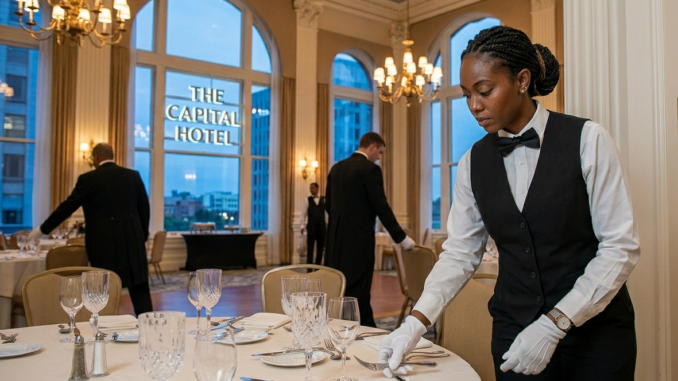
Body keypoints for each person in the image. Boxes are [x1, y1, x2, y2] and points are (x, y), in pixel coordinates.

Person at [378, 26, 638, 380]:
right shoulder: (473, 162)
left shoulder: (588, 140)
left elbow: (619, 248)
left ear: (522, 80)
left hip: (596, 335)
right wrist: (415, 323)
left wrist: (555, 324)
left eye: (484, 91)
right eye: (468, 94)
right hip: (512, 332)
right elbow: (460, 253)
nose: (474, 106)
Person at [28, 143, 153, 316]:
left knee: (102, 290)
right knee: (139, 287)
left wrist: (42, 229)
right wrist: (142, 235)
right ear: (112, 156)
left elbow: (67, 207)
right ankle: (147, 325)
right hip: (132, 240)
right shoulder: (133, 176)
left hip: (103, 243)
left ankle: (103, 328)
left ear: (96, 157)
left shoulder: (88, 179)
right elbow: (144, 209)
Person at [325, 132, 416, 328]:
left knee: (339, 289)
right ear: (372, 146)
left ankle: (341, 328)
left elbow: (328, 205)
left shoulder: (336, 168)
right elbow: (381, 207)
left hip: (334, 243)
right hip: (358, 242)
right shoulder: (369, 169)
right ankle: (364, 330)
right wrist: (402, 239)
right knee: (359, 290)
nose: (379, 157)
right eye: (380, 152)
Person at [300, 182, 327, 266]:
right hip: (311, 227)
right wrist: (302, 225)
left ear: (317, 189)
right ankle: (309, 267)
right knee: (310, 248)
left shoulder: (324, 199)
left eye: (312, 188)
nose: (311, 190)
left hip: (322, 227)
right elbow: (303, 214)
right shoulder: (307, 200)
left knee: (320, 248)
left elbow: (326, 214)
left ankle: (318, 266)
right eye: (310, 188)